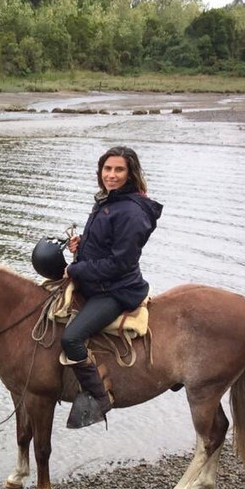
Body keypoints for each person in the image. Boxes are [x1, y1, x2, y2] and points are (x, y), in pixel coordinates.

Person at [61, 146, 163, 429]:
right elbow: (106, 243)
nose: (112, 175)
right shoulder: (109, 201)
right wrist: (82, 245)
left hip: (116, 290)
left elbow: (120, 263)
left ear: (130, 174)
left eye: (119, 170)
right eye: (107, 169)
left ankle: (100, 398)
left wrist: (75, 268)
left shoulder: (131, 212)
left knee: (71, 338)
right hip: (98, 281)